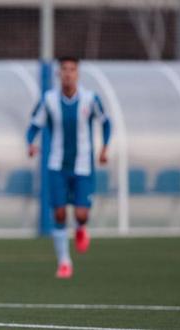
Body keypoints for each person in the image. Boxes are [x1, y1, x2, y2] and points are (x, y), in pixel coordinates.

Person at [26, 56, 111, 279]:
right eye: (64, 69)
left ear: (78, 73)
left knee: (81, 214)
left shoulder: (90, 99)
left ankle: (82, 227)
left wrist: (104, 148)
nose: (68, 73)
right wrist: (30, 143)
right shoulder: (49, 99)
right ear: (58, 73)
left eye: (72, 69)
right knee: (60, 213)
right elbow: (34, 124)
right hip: (56, 165)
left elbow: (106, 122)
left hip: (83, 165)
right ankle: (64, 261)